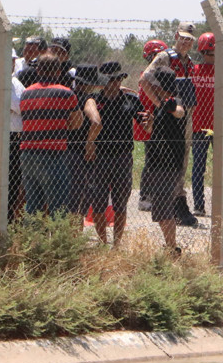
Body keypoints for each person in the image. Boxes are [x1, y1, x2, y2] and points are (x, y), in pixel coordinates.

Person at [18, 50, 82, 215]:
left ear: (38, 70)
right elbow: (77, 122)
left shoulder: (26, 93)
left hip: (28, 154)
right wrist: (60, 125)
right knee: (58, 208)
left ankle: (33, 239)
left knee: (33, 206)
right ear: (59, 71)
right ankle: (57, 240)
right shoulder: (66, 93)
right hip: (53, 154)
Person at [89, 62, 144, 246]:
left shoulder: (131, 100)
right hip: (99, 158)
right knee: (98, 203)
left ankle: (117, 244)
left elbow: (146, 125)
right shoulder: (94, 101)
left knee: (121, 202)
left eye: (118, 78)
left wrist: (149, 122)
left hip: (123, 156)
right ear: (103, 81)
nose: (115, 82)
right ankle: (103, 242)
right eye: (111, 79)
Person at [189, 32, 223, 217]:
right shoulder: (193, 70)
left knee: (221, 168)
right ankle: (199, 205)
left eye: (215, 54)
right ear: (202, 52)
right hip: (199, 127)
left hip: (221, 127)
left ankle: (221, 204)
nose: (212, 57)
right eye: (210, 53)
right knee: (198, 167)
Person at [145, 67, 188, 255]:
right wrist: (150, 123)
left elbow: (179, 111)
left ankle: (172, 248)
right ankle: (170, 245)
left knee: (163, 208)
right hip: (157, 162)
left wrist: (171, 107)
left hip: (168, 165)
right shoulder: (160, 105)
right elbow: (153, 132)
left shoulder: (173, 102)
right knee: (161, 208)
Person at [135, 39, 168, 211]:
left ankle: (157, 195)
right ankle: (145, 196)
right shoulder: (148, 77)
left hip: (160, 121)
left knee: (160, 160)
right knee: (152, 159)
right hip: (150, 122)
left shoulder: (159, 77)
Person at [66, 65, 104, 217]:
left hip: (61, 152)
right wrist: (90, 143)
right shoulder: (87, 99)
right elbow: (96, 122)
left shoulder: (66, 96)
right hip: (79, 156)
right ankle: (74, 238)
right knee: (78, 204)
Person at [8, 74, 23, 223]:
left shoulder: (15, 82)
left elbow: (21, 106)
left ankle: (8, 221)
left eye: (13, 61)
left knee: (13, 183)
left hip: (14, 138)